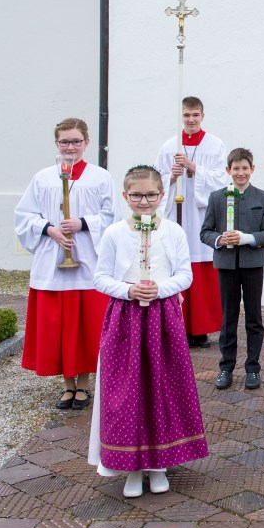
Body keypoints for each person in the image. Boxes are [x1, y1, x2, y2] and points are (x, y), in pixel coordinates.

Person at [89, 165, 208, 498]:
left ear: (161, 195)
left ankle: (159, 464)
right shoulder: (114, 233)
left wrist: (160, 287)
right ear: (126, 196)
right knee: (127, 390)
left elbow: (185, 275)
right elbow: (99, 277)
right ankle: (131, 466)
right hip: (125, 319)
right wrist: (128, 290)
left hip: (162, 317)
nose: (144, 201)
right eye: (137, 195)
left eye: (151, 195)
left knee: (161, 386)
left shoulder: (173, 231)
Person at [15, 118, 121, 410]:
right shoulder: (43, 178)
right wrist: (50, 229)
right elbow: (24, 216)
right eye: (64, 142)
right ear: (56, 144)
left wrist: (82, 222)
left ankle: (84, 385)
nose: (70, 147)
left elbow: (112, 216)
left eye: (76, 141)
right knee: (59, 324)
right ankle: (67, 385)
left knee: (86, 325)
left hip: (87, 259)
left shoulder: (100, 177)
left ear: (87, 142)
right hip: (53, 260)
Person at [200, 147, 264, 391]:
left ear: (252, 169)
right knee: (228, 317)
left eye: (245, 168)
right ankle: (226, 366)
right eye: (236, 168)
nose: (241, 173)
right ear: (228, 170)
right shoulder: (216, 197)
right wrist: (220, 240)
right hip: (226, 265)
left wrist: (247, 238)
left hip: (253, 264)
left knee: (254, 317)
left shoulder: (262, 197)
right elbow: (205, 232)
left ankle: (253, 367)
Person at [155, 96, 226, 348]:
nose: (191, 119)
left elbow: (221, 181)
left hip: (200, 217)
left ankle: (200, 330)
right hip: (176, 214)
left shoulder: (215, 145)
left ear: (203, 116)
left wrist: (195, 169)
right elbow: (155, 184)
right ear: (180, 117)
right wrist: (170, 178)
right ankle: (178, 328)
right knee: (174, 266)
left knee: (202, 271)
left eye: (195, 115)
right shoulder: (168, 146)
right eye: (186, 115)